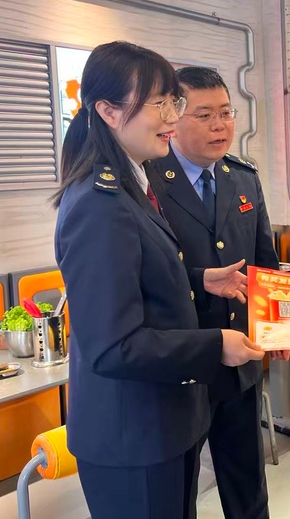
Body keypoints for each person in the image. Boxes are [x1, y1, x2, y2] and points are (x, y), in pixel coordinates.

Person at [53, 42, 265, 519]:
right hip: (132, 435)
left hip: (165, 421)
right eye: (159, 104)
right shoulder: (99, 204)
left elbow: (136, 278)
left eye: (174, 102)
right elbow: (113, 347)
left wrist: (199, 279)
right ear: (108, 111)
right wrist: (216, 345)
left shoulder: (131, 185)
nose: (172, 116)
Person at [146, 66, 282, 519]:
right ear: (173, 117)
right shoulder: (148, 180)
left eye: (226, 113)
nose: (220, 126)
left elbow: (264, 262)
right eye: (204, 115)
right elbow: (145, 276)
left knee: (247, 484)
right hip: (185, 364)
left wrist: (280, 326)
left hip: (240, 363)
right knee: (180, 488)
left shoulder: (242, 177)